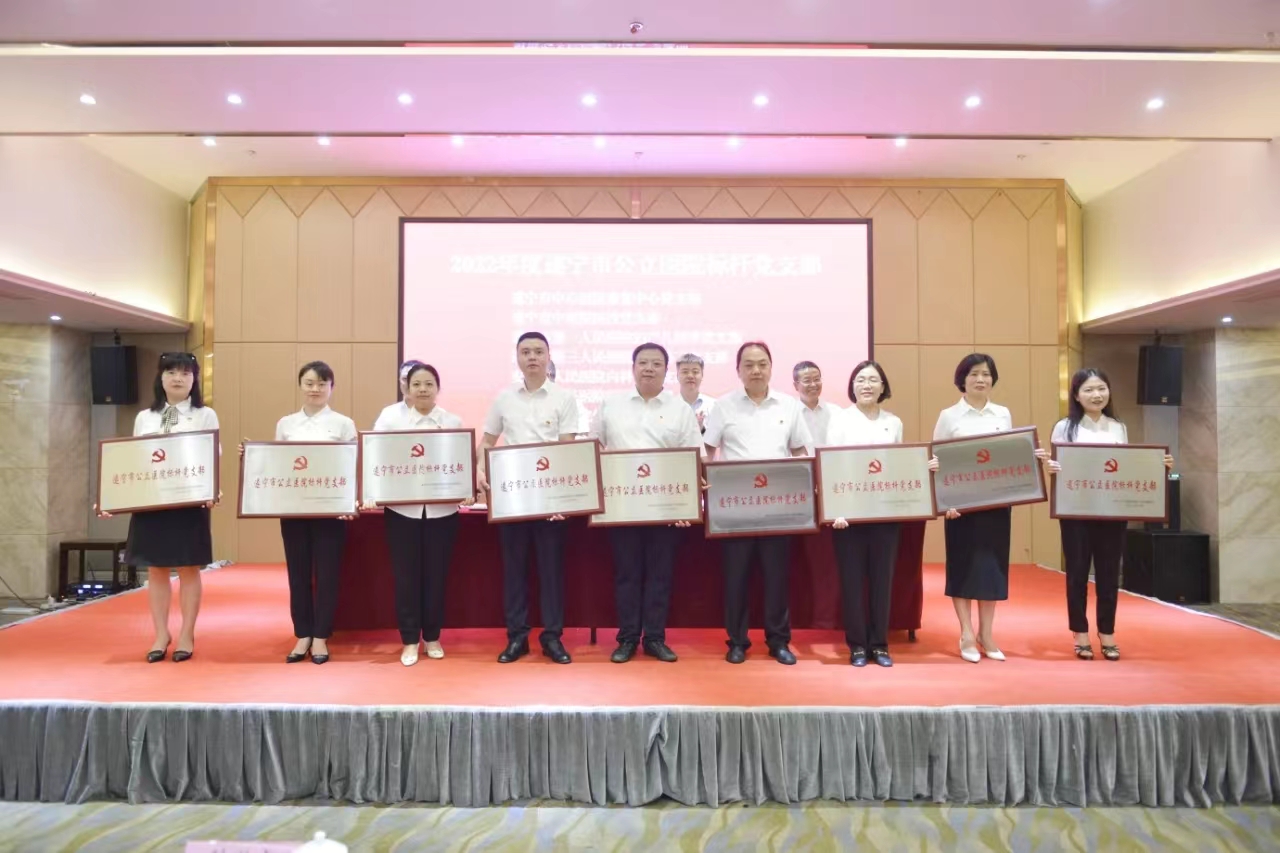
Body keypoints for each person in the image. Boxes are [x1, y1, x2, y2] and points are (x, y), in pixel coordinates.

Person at [97, 352, 219, 664]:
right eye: (171, 372)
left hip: (189, 501)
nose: (178, 378)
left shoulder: (205, 415)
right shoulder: (145, 417)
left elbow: (212, 456)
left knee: (189, 568)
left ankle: (187, 634)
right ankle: (161, 634)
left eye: (186, 373)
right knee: (156, 568)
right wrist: (112, 498)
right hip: (152, 502)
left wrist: (211, 489)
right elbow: (133, 459)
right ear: (161, 377)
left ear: (194, 379)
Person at [1045, 368, 1174, 662]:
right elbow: (1056, 465)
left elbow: (1126, 467)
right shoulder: (1065, 427)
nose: (1096, 395)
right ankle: (1080, 632)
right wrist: (1050, 467)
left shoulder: (1118, 427)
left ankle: (1107, 632)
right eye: (1089, 390)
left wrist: (1158, 465)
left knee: (1108, 573)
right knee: (1077, 573)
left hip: (1113, 512)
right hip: (1076, 512)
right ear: (1076, 395)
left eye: (1101, 388)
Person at [932, 353, 1047, 664]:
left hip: (995, 505)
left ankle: (987, 633)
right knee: (963, 568)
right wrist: (946, 503)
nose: (980, 379)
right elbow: (937, 463)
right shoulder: (949, 416)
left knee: (991, 569)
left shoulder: (1003, 414)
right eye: (973, 374)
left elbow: (1008, 457)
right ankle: (967, 633)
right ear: (962, 379)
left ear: (993, 379)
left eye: (985, 374)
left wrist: (1031, 458)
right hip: (960, 509)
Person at [592, 342, 703, 663]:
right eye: (643, 363)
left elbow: (693, 457)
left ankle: (654, 638)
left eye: (656, 364)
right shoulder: (611, 405)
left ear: (666, 371)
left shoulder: (680, 409)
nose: (649, 368)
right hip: (622, 508)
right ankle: (627, 639)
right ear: (633, 368)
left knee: (660, 575)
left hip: (664, 508)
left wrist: (688, 503)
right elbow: (592, 448)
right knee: (627, 574)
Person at [703, 341, 812, 665]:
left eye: (762, 364)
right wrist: (705, 481)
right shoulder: (723, 406)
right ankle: (737, 641)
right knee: (735, 579)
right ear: (738, 370)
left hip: (778, 509)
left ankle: (779, 641)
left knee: (777, 578)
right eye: (748, 365)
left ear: (771, 368)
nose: (756, 370)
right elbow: (708, 450)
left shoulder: (789, 406)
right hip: (734, 509)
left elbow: (799, 451)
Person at [477, 331, 580, 664]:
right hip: (513, 498)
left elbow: (566, 448)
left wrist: (564, 498)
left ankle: (552, 638)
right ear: (518, 358)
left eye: (538, 351)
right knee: (514, 571)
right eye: (526, 352)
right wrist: (480, 470)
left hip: (550, 500)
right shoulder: (504, 398)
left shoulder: (564, 398)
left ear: (548, 357)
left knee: (551, 572)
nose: (532, 357)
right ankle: (517, 638)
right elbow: (488, 442)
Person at [364, 363, 472, 666]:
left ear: (438, 388)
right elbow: (374, 457)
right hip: (402, 512)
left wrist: (465, 487)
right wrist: (371, 491)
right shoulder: (391, 419)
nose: (423, 389)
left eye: (428, 384)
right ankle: (410, 640)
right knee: (406, 578)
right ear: (407, 389)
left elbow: (462, 462)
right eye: (416, 384)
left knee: (436, 577)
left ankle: (433, 637)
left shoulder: (452, 421)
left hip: (442, 513)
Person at [263, 361, 357, 665]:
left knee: (328, 574)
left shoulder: (343, 424)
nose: (315, 389)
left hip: (331, 511)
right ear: (300, 386)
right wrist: (253, 458)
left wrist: (349, 502)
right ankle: (302, 633)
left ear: (331, 387)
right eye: (309, 383)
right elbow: (278, 464)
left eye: (322, 383)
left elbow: (352, 467)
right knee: (298, 573)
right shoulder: (286, 424)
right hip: (294, 509)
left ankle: (321, 636)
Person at [826, 360, 904, 667]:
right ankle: (857, 645)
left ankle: (880, 645)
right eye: (860, 380)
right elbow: (831, 465)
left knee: (883, 581)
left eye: (873, 380)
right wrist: (835, 509)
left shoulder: (893, 422)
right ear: (852, 386)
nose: (866, 385)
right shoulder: (839, 420)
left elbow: (898, 466)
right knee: (852, 581)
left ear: (883, 386)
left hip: (884, 514)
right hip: (848, 516)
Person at [793, 360, 835, 455]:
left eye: (817, 379)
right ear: (796, 385)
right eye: (807, 381)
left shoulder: (835, 412)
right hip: (802, 464)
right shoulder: (790, 414)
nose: (813, 384)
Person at [676, 353, 716, 432]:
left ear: (702, 375)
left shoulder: (714, 406)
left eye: (695, 372)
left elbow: (719, 437)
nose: (690, 376)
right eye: (685, 372)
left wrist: (702, 429)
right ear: (677, 375)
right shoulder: (668, 406)